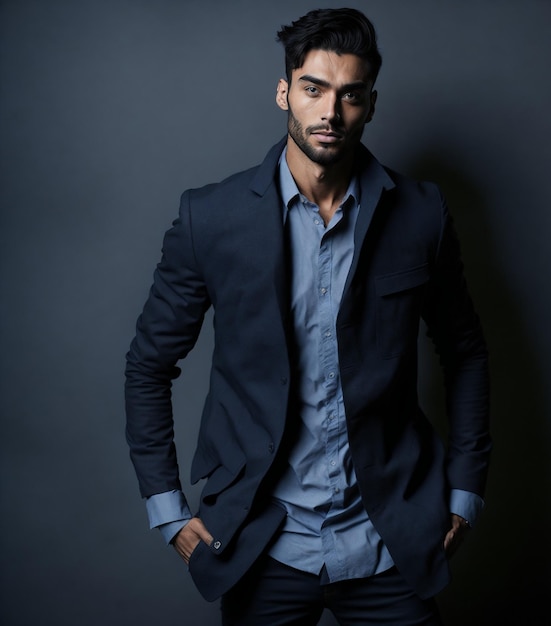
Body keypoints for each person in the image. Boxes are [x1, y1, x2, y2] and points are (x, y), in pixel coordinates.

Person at [125, 8, 491, 625]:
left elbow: (466, 353)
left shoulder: (421, 215)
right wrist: (167, 509)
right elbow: (148, 365)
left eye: (350, 95)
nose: (330, 112)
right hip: (262, 544)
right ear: (283, 92)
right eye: (313, 89)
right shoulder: (210, 219)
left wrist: (464, 490)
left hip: (388, 539)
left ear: (370, 104)